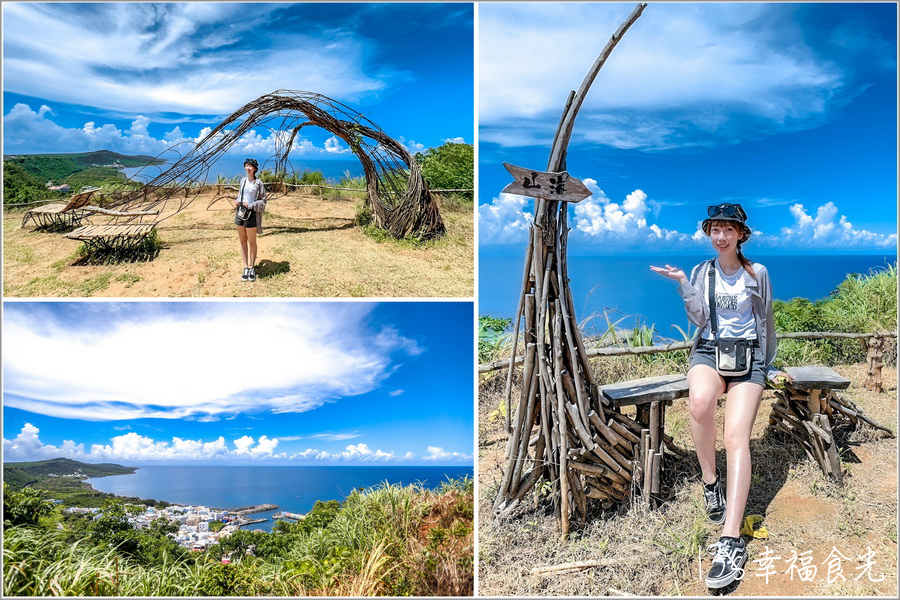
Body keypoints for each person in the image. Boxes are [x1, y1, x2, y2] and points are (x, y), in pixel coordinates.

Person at [650, 203, 789, 589]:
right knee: (698, 403)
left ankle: (730, 539)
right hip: (709, 350)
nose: (722, 236)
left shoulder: (757, 273)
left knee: (735, 436)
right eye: (715, 229)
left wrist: (767, 363)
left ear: (742, 235)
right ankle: (711, 484)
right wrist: (682, 282)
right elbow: (698, 319)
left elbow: (766, 321)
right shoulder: (702, 272)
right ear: (709, 233)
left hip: (749, 357)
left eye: (729, 229)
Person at [232, 158, 267, 281]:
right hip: (240, 212)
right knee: (242, 241)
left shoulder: (258, 183)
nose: (248, 168)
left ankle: (252, 267)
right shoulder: (242, 181)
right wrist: (237, 201)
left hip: (251, 213)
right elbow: (241, 195)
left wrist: (251, 205)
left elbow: (263, 202)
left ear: (255, 169)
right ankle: (245, 266)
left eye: (250, 166)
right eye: (246, 166)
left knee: (252, 242)